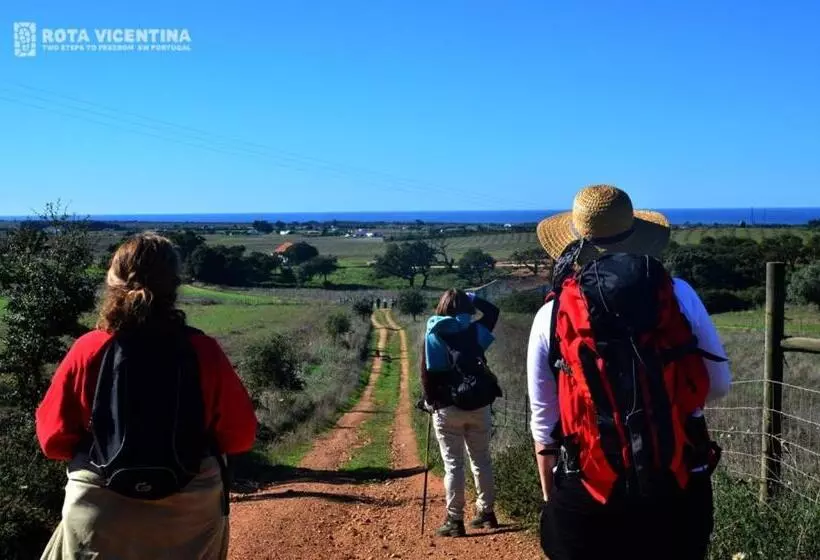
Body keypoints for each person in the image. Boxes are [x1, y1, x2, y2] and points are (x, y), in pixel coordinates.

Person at [527, 185, 732, 560]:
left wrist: (553, 499)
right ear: (638, 235)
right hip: (677, 477)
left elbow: (544, 422)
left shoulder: (551, 314)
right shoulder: (679, 294)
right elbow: (718, 384)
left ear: (575, 242)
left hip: (588, 486)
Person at [36, 233, 257, 560]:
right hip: (191, 511)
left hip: (100, 509)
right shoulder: (203, 351)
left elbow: (53, 442)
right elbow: (239, 437)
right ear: (174, 285)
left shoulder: (89, 349)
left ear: (113, 282)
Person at [420, 288, 502, 537]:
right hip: (478, 404)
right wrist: (472, 296)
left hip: (447, 407)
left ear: (442, 307)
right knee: (482, 460)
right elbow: (493, 311)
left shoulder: (434, 333)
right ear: (467, 308)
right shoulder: (475, 331)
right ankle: (486, 513)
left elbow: (429, 374)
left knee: (453, 465)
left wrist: (429, 401)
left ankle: (455, 521)